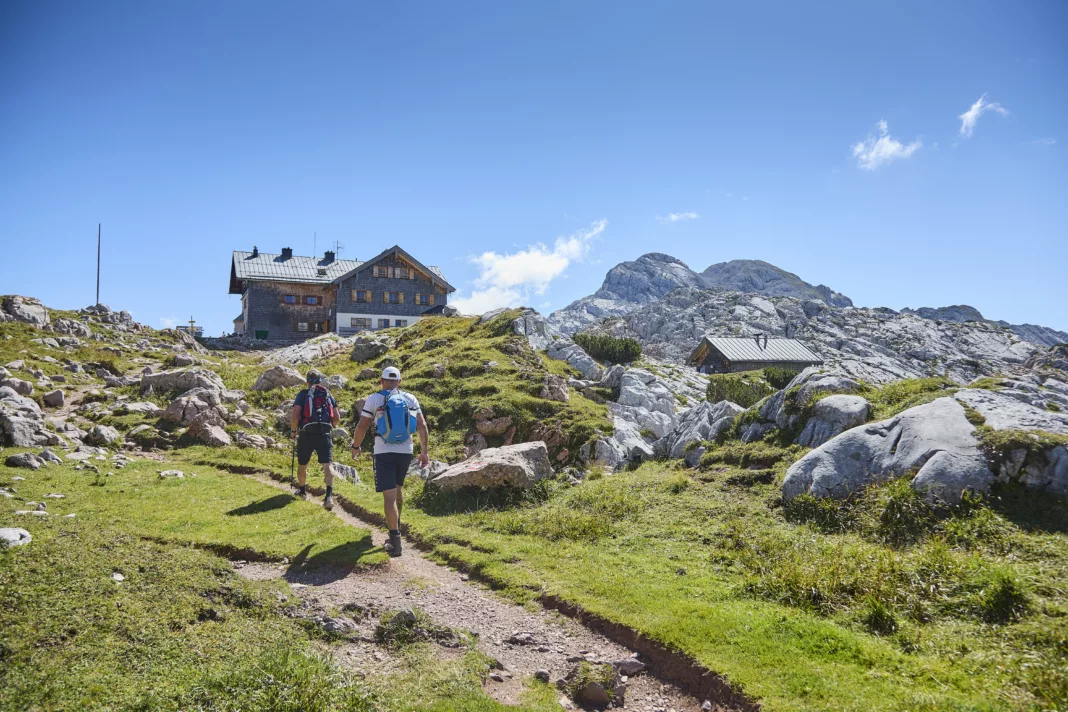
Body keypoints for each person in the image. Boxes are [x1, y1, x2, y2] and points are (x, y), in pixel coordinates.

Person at [350, 366, 429, 557]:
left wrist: (356, 446)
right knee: (398, 489)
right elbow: (422, 425)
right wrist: (424, 452)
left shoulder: (375, 398)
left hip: (383, 451)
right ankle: (397, 525)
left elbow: (362, 426)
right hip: (406, 451)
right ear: (399, 382)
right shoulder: (410, 398)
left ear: (381, 380)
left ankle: (395, 542)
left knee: (389, 496)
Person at [290, 369, 341, 510]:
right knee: (327, 464)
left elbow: (295, 416)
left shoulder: (303, 394)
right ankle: (329, 496)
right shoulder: (327, 395)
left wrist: (294, 431)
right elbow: (337, 418)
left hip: (306, 433)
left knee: (303, 464)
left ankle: (302, 490)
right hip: (324, 433)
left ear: (307, 381)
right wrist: (331, 425)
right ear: (320, 381)